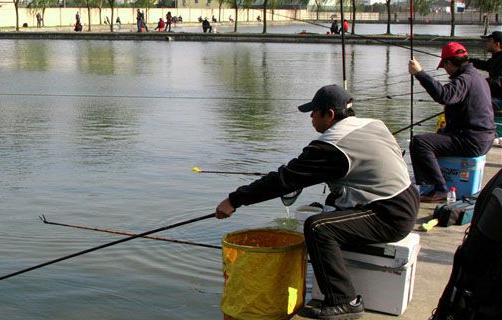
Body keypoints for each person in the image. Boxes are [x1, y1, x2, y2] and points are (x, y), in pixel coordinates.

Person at [215, 84, 419, 320]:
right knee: (329, 209)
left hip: (389, 215)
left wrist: (234, 200)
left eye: (314, 112)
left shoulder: (332, 145)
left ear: (329, 114)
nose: (311, 117)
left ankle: (344, 301)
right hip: (406, 198)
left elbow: (283, 180)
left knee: (318, 227)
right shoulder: (373, 124)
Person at [408, 42, 496, 202]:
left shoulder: (464, 79)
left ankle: (439, 189)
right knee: (438, 136)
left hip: (472, 141)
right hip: (484, 138)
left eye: (444, 66)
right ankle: (435, 183)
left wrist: (420, 73)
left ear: (449, 62)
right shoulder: (478, 77)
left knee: (419, 143)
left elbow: (444, 96)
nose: (445, 70)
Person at [469, 31, 502, 115]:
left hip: (500, 100)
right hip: (496, 97)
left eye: (489, 41)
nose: (486, 43)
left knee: (474, 101)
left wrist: (479, 82)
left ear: (497, 44)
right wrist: (467, 61)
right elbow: (485, 65)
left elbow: (499, 81)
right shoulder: (496, 58)